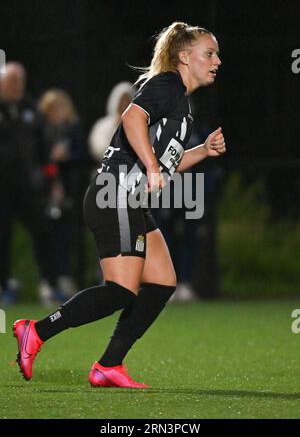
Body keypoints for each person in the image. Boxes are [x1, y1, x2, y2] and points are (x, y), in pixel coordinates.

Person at [13, 22, 226, 388]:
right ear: (184, 57)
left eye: (217, 54)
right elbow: (132, 117)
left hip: (127, 199)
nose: (217, 60)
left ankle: (109, 365)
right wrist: (151, 165)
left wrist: (202, 151)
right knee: (122, 290)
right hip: (114, 194)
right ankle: (36, 331)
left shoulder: (181, 102)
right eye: (209, 53)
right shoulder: (167, 84)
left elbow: (166, 162)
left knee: (162, 282)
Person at [0, 62, 52, 305]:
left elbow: (44, 149)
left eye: (18, 81)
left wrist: (49, 178)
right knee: (3, 236)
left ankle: (47, 283)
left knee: (42, 232)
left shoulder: (32, 110)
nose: (15, 86)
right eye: (10, 81)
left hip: (29, 186)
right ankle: (4, 286)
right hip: (2, 187)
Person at [38, 89, 86, 304]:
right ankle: (48, 281)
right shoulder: (41, 131)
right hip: (44, 191)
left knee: (66, 236)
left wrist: (66, 157)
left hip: (69, 191)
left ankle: (65, 279)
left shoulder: (73, 130)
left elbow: (82, 155)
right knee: (46, 235)